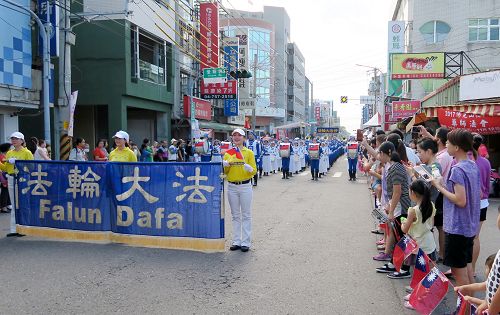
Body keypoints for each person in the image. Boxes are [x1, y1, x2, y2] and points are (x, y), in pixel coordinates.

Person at [431, 129, 481, 295]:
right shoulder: (472, 165)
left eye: (448, 143)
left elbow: (460, 200)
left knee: (460, 276)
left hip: (457, 228)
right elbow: (475, 194)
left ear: (457, 147)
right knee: (466, 271)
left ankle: (465, 309)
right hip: (469, 226)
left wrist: (439, 187)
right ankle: (469, 308)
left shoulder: (458, 170)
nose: (445, 145)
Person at [374, 141, 412, 279]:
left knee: (401, 238)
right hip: (397, 205)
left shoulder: (395, 167)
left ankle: (404, 268)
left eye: (381, 153)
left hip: (401, 206)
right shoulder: (393, 166)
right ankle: (394, 263)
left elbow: (397, 191)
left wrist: (391, 211)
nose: (379, 156)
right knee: (399, 237)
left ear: (388, 153)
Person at [401, 179, 438, 309]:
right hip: (429, 244)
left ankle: (418, 300)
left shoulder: (413, 210)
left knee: (421, 274)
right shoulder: (431, 205)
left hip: (419, 246)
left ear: (414, 193)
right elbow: (431, 224)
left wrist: (403, 223)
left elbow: (405, 230)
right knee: (424, 273)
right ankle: (417, 293)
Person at [223, 128, 257, 252]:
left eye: (239, 136)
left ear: (244, 138)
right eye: (234, 135)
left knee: (246, 215)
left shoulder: (249, 153)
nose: (236, 138)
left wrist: (250, 169)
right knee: (235, 215)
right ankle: (236, 241)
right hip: (232, 186)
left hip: (245, 186)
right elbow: (225, 172)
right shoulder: (228, 153)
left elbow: (254, 170)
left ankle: (246, 242)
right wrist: (224, 166)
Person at [0, 132, 34, 237]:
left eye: (16, 139)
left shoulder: (27, 152)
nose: (14, 140)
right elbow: (6, 168)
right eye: (12, 139)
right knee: (14, 205)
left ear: (22, 141)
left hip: (23, 179)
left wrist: (18, 162)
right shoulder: (9, 153)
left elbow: (32, 167)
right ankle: (14, 229)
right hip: (11, 178)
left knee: (23, 204)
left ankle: (25, 228)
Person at [471, 133, 492, 276]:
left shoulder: (464, 161)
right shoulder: (486, 162)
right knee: (475, 237)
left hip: (468, 203)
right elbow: (487, 185)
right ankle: (471, 269)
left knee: (465, 237)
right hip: (483, 203)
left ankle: (463, 269)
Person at [0, 143, 11, 213]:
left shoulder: (5, 156)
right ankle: (3, 206)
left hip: (5, 175)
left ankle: (6, 205)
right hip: (3, 176)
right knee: (4, 191)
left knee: (6, 191)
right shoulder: (2, 157)